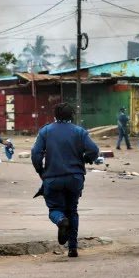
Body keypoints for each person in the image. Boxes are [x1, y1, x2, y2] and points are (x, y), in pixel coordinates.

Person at [31, 102, 100, 258]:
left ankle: (60, 220)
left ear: (55, 116)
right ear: (72, 116)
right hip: (75, 178)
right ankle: (72, 248)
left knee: (54, 210)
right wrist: (86, 158)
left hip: (52, 178)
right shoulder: (79, 132)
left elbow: (36, 153)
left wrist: (41, 171)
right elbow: (94, 150)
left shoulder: (46, 131)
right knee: (73, 211)